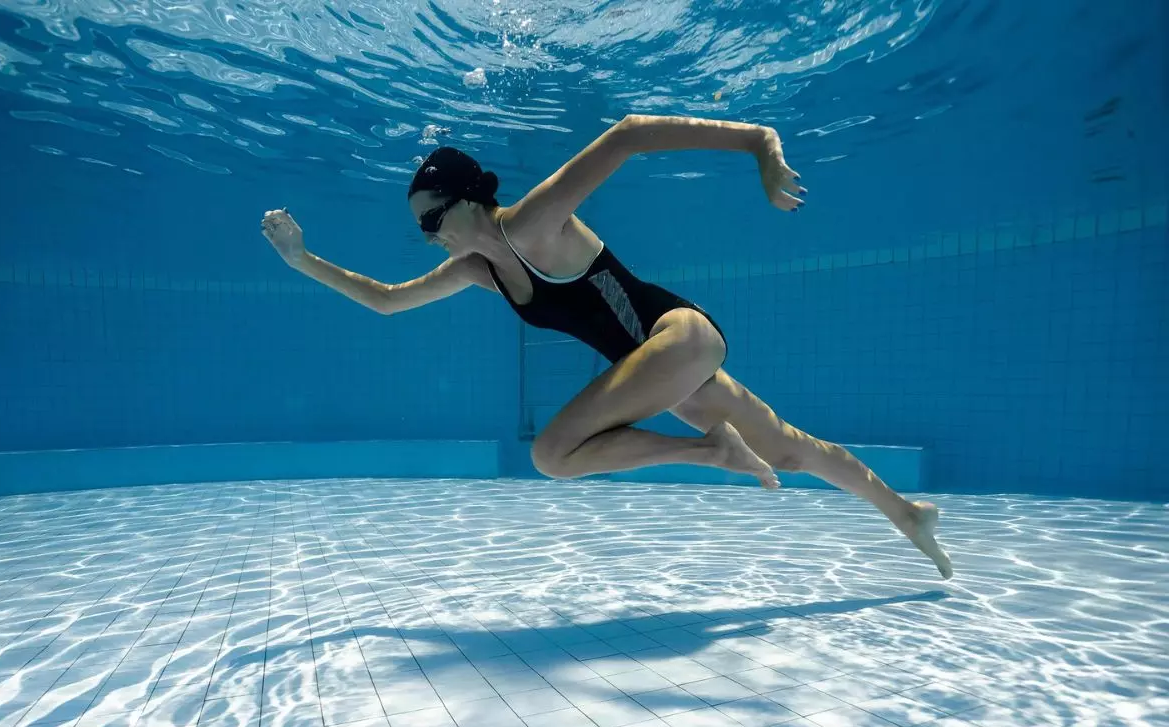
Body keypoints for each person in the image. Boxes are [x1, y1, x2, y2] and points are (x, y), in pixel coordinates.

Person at [260, 114, 953, 579]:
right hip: (670, 375)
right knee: (792, 449)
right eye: (424, 229)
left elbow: (627, 136)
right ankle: (906, 513)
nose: (432, 235)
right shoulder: (479, 270)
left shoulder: (532, 222)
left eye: (435, 218)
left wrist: (760, 145)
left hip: (676, 335)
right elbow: (386, 299)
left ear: (470, 200)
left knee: (550, 452)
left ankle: (712, 453)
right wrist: (302, 261)